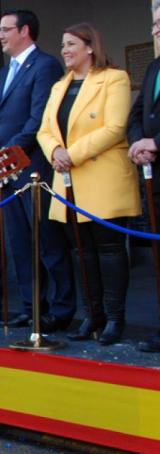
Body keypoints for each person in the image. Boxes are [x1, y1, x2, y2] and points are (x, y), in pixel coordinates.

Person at [38, 23, 140, 345]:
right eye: (63, 44)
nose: (65, 50)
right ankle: (91, 316)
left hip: (102, 178)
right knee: (81, 253)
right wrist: (55, 151)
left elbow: (115, 127)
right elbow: (44, 130)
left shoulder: (114, 78)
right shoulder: (59, 87)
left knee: (109, 251)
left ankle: (113, 318)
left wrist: (72, 154)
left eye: (70, 44)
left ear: (90, 47)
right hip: (68, 181)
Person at [0, 9, 75, 332]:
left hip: (34, 169)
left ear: (24, 31)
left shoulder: (45, 65)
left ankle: (62, 308)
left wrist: (6, 155)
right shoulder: (4, 72)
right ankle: (32, 306)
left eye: (4, 30)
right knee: (20, 245)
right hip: (8, 173)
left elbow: (37, 119)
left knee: (48, 243)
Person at [127, 0, 160, 353]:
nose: (155, 28)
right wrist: (139, 141)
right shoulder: (153, 68)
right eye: (153, 22)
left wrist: (157, 141)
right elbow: (137, 113)